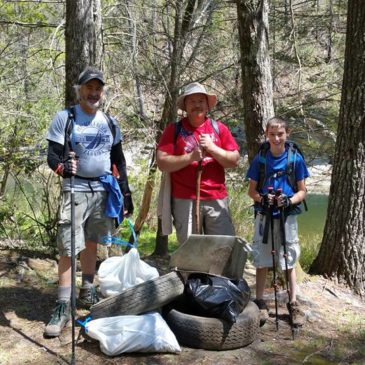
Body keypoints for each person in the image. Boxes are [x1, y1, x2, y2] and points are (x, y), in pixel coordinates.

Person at [44, 66, 134, 337]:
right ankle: (63, 304)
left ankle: (88, 289)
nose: (93, 93)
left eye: (98, 89)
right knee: (69, 244)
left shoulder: (109, 121)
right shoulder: (66, 118)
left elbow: (118, 159)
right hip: (75, 188)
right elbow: (52, 155)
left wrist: (126, 192)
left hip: (103, 188)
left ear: (102, 92)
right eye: (89, 88)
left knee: (93, 240)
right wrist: (64, 168)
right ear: (79, 90)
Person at [157, 82, 239, 245]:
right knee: (190, 250)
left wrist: (213, 149)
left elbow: (234, 160)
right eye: (192, 101)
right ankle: (192, 272)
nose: (197, 105)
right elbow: (162, 162)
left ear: (207, 105)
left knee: (222, 247)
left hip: (217, 199)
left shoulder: (219, 129)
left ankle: (215, 272)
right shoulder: (174, 130)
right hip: (184, 199)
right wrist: (191, 157)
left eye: (201, 101)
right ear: (185, 106)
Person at [246, 116, 309, 327]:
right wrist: (263, 198)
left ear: (287, 134)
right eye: (272, 134)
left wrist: (288, 200)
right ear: (266, 134)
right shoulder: (260, 159)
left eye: (280, 134)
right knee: (262, 257)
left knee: (289, 258)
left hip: (287, 215)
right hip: (264, 214)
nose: (276, 138)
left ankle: (293, 303)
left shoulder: (295, 159)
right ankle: (260, 301)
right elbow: (251, 191)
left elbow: (302, 191)